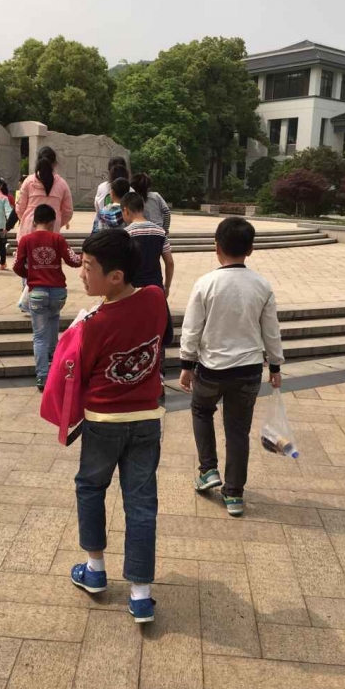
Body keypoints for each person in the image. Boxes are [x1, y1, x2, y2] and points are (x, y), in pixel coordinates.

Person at [70, 228, 168, 624]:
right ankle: (141, 594)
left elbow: (81, 371)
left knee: (91, 488)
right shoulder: (156, 298)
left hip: (103, 421)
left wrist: (78, 329)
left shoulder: (93, 323)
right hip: (147, 420)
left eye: (88, 267)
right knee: (141, 502)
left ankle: (95, 570)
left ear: (115, 276)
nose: (81, 274)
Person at [179, 217, 284, 517]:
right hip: (248, 370)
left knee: (201, 410)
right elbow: (271, 331)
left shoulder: (206, 283)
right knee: (238, 431)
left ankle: (208, 469)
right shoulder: (262, 286)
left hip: (211, 368)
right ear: (250, 249)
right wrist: (275, 366)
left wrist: (187, 363)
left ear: (217, 247)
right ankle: (234, 494)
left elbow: (192, 328)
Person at [12, 204, 81, 391]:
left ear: (34, 221)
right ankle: (54, 360)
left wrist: (31, 274)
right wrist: (85, 257)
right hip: (58, 292)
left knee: (39, 336)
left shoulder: (26, 240)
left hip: (37, 293)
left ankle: (42, 376)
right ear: (52, 222)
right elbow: (74, 260)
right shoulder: (58, 239)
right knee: (53, 321)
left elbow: (17, 266)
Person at [121, 191, 175, 394]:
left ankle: (136, 379)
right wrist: (166, 286)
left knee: (134, 335)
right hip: (156, 291)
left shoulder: (126, 234)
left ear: (126, 211)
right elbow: (169, 262)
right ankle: (158, 378)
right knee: (158, 333)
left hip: (132, 293)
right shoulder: (159, 231)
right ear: (142, 208)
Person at [16, 147, 73, 240]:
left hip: (28, 230)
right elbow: (68, 212)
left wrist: (28, 220)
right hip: (52, 229)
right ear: (55, 163)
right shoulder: (62, 184)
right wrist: (56, 222)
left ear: (38, 161)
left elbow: (19, 208)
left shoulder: (28, 181)